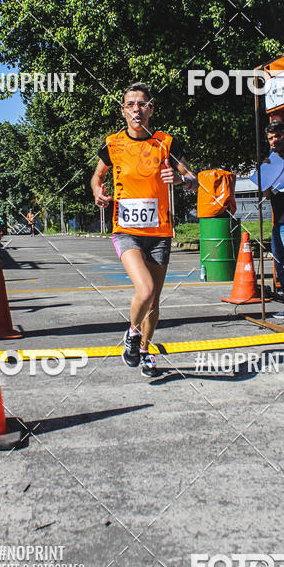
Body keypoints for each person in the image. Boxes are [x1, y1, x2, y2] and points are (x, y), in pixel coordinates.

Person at [91, 83, 197, 376]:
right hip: (126, 230)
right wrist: (98, 192)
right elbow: (97, 176)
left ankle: (146, 351)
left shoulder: (166, 143)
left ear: (150, 109)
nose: (136, 109)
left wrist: (180, 180)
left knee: (153, 301)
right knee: (145, 289)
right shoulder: (112, 144)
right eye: (130, 104)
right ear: (123, 111)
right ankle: (132, 332)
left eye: (142, 104)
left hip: (160, 232)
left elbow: (193, 178)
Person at [263, 121, 284, 322]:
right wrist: (265, 175)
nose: (274, 141)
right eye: (270, 138)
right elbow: (267, 194)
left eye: (277, 136)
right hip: (279, 219)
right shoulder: (271, 160)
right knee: (281, 265)